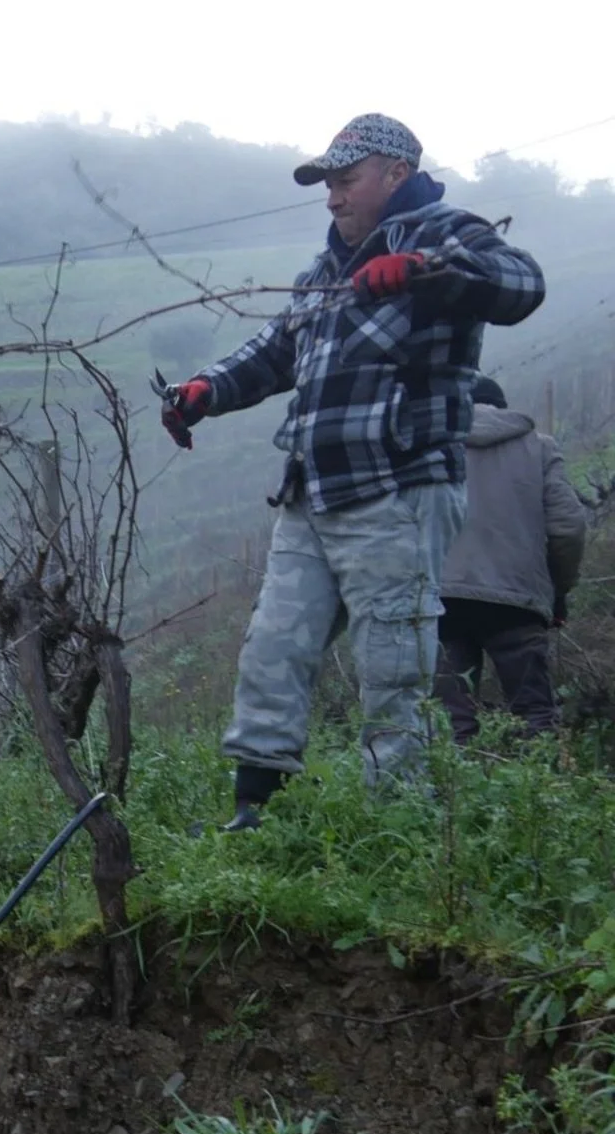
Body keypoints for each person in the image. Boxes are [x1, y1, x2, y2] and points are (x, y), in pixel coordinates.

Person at [160, 112, 546, 830]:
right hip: (310, 492)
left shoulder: (445, 232)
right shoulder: (324, 273)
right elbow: (275, 351)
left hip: (396, 487)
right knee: (273, 649)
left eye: (346, 179)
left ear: (395, 174)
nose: (333, 197)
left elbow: (522, 283)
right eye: (328, 184)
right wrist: (205, 390)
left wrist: (431, 275)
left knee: (395, 663)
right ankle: (256, 813)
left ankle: (397, 825)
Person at [434, 374, 585, 743]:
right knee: (534, 714)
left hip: (442, 598)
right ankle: (540, 794)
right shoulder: (540, 448)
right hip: (518, 598)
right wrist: (558, 589)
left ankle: (453, 795)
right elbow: (568, 527)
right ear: (502, 408)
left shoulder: (432, 447)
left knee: (452, 723)